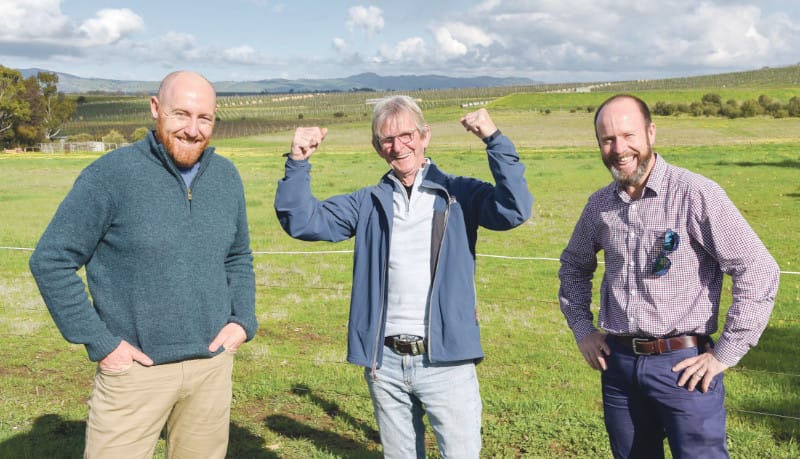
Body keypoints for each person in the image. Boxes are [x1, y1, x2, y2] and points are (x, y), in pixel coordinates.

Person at [274, 95, 532, 458]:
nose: (398, 146)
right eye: (387, 140)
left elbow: (515, 209)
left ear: (425, 135)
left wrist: (494, 139)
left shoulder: (458, 194)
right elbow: (302, 221)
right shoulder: (368, 203)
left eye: (407, 135)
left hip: (447, 361)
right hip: (387, 363)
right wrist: (298, 161)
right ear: (378, 148)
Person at [29, 70, 258, 459]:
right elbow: (51, 260)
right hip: (135, 371)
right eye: (181, 114)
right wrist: (101, 342)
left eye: (205, 118)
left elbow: (237, 257)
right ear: (155, 109)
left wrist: (243, 321)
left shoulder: (226, 177)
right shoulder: (110, 176)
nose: (193, 129)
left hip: (211, 369)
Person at [558, 94, 780, 458]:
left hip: (684, 369)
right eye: (608, 139)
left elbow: (757, 268)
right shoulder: (600, 205)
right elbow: (573, 266)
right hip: (619, 366)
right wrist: (582, 329)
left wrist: (725, 353)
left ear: (651, 132)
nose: (619, 148)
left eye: (628, 135)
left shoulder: (695, 194)